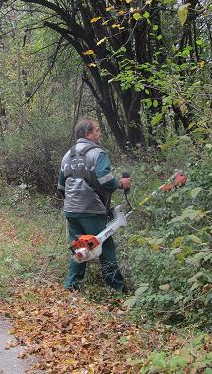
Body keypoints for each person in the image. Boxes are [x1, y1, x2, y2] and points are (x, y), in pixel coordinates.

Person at [57, 118, 132, 292]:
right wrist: (121, 183)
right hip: (92, 210)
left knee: (79, 249)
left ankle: (71, 286)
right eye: (97, 130)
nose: (99, 134)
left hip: (71, 211)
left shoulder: (67, 155)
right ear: (88, 134)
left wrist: (72, 202)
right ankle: (118, 289)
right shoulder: (98, 153)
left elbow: (61, 187)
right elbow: (106, 181)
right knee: (105, 247)